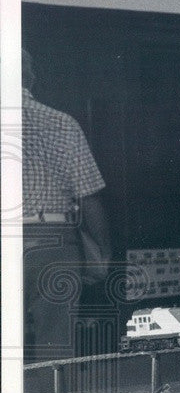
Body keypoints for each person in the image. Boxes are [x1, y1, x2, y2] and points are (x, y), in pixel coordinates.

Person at [21, 48, 112, 361]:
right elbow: (89, 196)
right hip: (57, 240)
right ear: (31, 78)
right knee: (56, 339)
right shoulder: (62, 123)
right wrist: (103, 248)